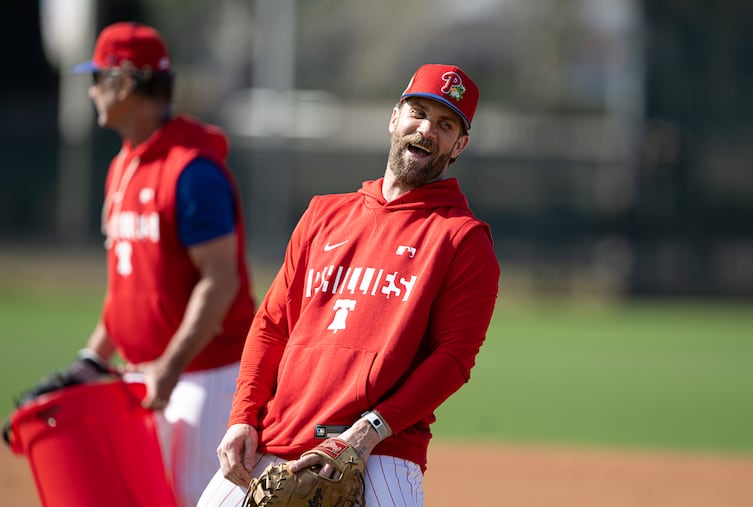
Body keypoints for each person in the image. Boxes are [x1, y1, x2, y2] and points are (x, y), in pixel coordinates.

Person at [197, 63, 500, 506]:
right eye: (418, 112)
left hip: (380, 453)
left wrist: (367, 432)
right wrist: (243, 416)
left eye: (445, 124)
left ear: (459, 145)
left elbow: (453, 359)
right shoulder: (323, 213)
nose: (427, 130)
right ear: (394, 117)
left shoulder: (461, 237)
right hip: (277, 436)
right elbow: (271, 326)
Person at [68, 21, 256, 506]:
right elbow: (127, 285)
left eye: (97, 77)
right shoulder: (123, 164)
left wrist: (170, 368)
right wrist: (93, 360)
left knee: (198, 499)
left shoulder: (191, 170)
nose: (90, 90)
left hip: (204, 377)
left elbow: (220, 281)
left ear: (125, 82)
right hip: (145, 376)